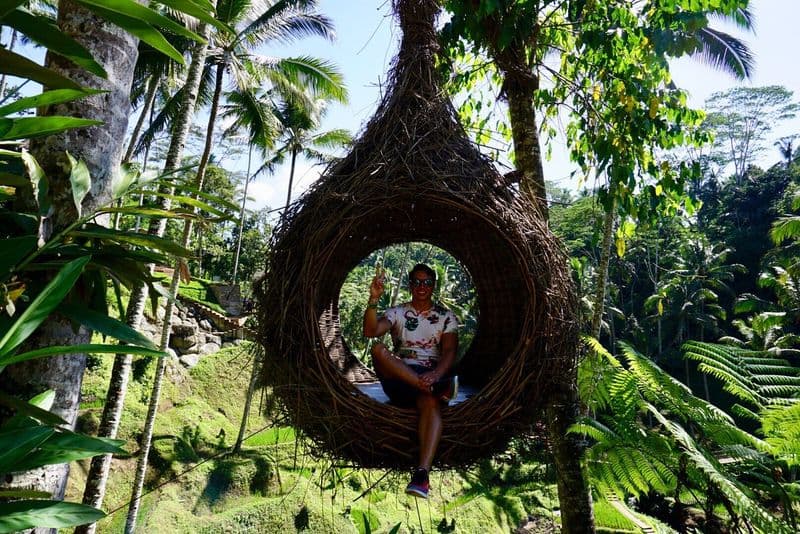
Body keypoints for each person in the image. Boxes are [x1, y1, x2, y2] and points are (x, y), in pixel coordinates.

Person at [363, 263, 459, 499]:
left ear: (433, 285)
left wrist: (435, 376)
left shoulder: (446, 317)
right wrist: (374, 299)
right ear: (410, 285)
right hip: (399, 377)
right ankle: (436, 389)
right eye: (416, 282)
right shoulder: (397, 313)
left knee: (430, 403)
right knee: (377, 349)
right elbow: (371, 331)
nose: (421, 287)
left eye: (426, 282)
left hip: (429, 376)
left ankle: (421, 476)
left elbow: (449, 353)